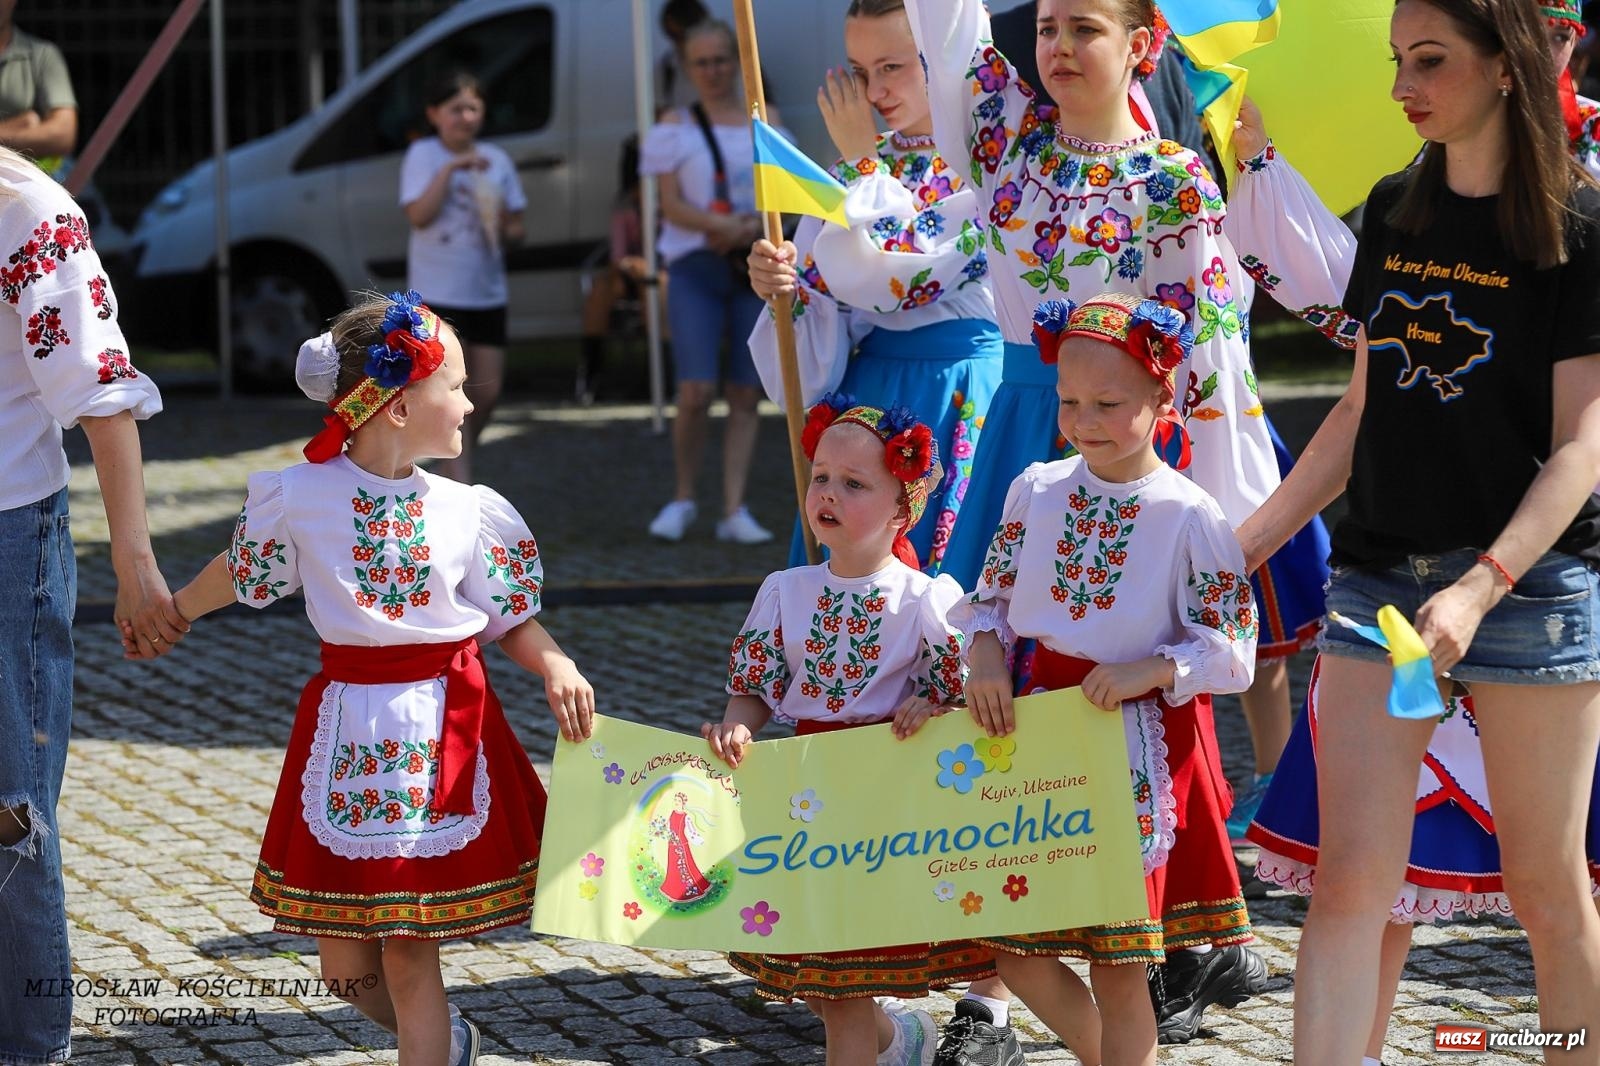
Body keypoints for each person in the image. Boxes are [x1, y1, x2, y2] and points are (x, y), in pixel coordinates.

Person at [1232, 0, 1600, 1059]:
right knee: (1353, 880)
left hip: (1528, 601)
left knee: (1544, 886)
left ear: (1505, 66)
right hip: (1379, 600)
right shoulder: (1395, 207)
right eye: (1398, 59)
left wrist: (1480, 586)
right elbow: (1358, 408)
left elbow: (1583, 447)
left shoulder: (1578, 224)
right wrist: (1244, 543)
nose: (1402, 84)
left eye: (1429, 61)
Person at [902, 0, 1276, 1040]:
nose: (1058, 48)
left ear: (1140, 48)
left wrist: (1225, 506)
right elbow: (947, 27)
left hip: (1134, 453)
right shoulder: (1001, 139)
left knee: (1124, 690)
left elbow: (1204, 351)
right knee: (998, 681)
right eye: (1049, 27)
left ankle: (1148, 928)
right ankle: (990, 975)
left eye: (1086, 30)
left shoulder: (1173, 176)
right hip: (1025, 426)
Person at [161, 291, 595, 1066]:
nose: (468, 400)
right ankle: (451, 1041)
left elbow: (506, 616)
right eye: (454, 385)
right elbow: (244, 572)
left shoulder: (466, 510)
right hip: (346, 732)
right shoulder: (299, 496)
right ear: (397, 406)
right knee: (344, 970)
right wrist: (176, 610)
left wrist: (555, 662)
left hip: (439, 734)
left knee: (405, 945)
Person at [953, 293, 1258, 1066]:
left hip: (1137, 744)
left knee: (1121, 963)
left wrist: (1152, 668)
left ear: (1163, 396)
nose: (1084, 420)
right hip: (1041, 736)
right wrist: (986, 658)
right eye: (1068, 401)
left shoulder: (1190, 516)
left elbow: (1233, 649)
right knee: (1016, 947)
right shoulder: (1037, 488)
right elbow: (990, 599)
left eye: (1108, 402)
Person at [704, 396, 994, 1066]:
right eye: (821, 478)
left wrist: (932, 710)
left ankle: (878, 1045)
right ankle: (900, 1040)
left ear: (903, 506)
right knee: (816, 968)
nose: (828, 494)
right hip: (807, 791)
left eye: (854, 484)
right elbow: (757, 687)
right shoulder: (787, 589)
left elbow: (961, 693)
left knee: (845, 974)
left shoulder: (925, 598)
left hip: (881, 796)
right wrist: (736, 729)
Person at [0, 146, 178, 1066]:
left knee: (6, 811)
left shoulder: (30, 210)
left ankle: (29, 1048)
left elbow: (103, 400)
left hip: (5, 534)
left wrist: (136, 564)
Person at [745, 0, 1004, 575]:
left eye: (893, 66)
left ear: (939, 54)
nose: (874, 90)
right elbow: (820, 314)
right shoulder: (853, 168)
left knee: (950, 568)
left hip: (960, 392)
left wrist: (865, 165)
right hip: (870, 393)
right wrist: (785, 288)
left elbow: (907, 275)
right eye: (860, 72)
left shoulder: (985, 158)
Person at [641, 20, 776, 545]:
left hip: (748, 264)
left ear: (737, 61)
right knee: (694, 389)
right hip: (697, 264)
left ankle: (733, 507)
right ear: (688, 69)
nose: (714, 71)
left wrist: (745, 229)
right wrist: (724, 227)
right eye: (703, 63)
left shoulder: (765, 121)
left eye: (721, 59)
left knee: (745, 392)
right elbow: (670, 204)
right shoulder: (673, 126)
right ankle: (682, 497)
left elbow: (778, 195)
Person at [400, 70, 527, 484]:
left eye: (472, 108)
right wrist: (452, 169)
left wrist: (502, 222)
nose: (465, 118)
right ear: (434, 114)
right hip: (439, 293)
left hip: (487, 291)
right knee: (449, 390)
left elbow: (517, 231)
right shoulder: (423, 155)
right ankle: (460, 483)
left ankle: (453, 453)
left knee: (486, 392)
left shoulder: (498, 160)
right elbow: (419, 215)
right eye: (455, 109)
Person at [578, 134, 653, 405]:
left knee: (654, 289)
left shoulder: (673, 201)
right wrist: (628, 266)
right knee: (599, 293)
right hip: (630, 272)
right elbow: (618, 255)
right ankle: (591, 376)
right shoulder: (624, 206)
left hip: (666, 273)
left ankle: (657, 375)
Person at [0, 2, 77, 168]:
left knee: (70, 176)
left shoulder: (43, 54)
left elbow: (63, 134)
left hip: (28, 179)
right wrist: (20, 127)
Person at [657, 0, 711, 114]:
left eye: (683, 35)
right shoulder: (666, 70)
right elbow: (659, 114)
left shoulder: (731, 65)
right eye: (674, 36)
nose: (680, 43)